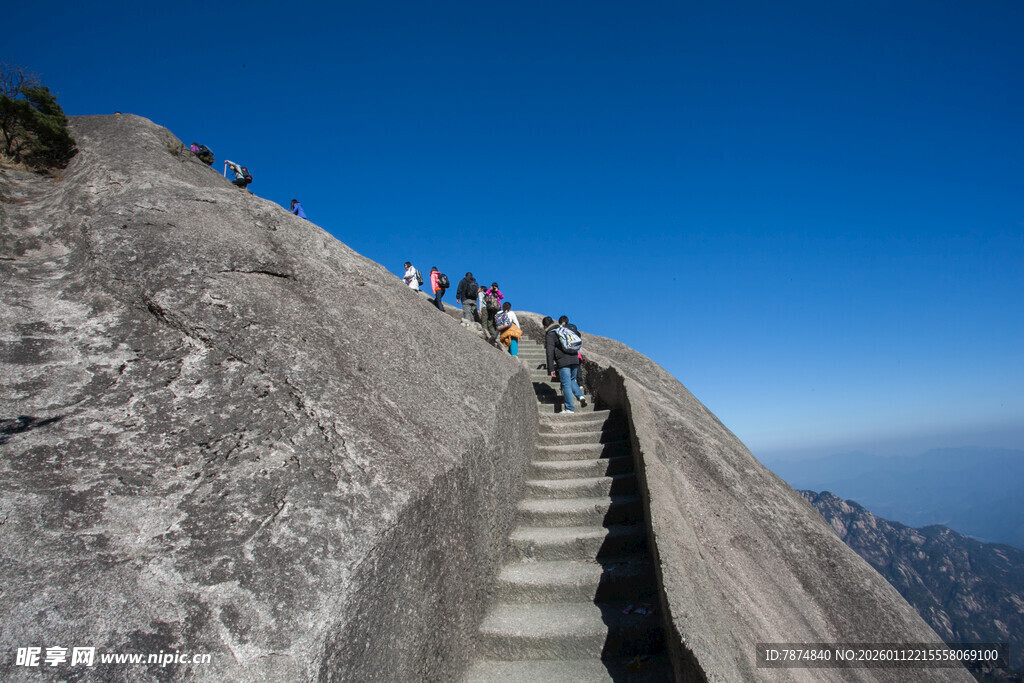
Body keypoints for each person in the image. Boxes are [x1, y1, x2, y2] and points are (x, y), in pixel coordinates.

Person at [544, 315, 586, 413]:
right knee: (571, 380)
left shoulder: (551, 334)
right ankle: (580, 396)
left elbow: (549, 351)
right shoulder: (565, 329)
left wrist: (551, 368)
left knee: (566, 383)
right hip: (575, 358)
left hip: (563, 361)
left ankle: (569, 408)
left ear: (545, 326)